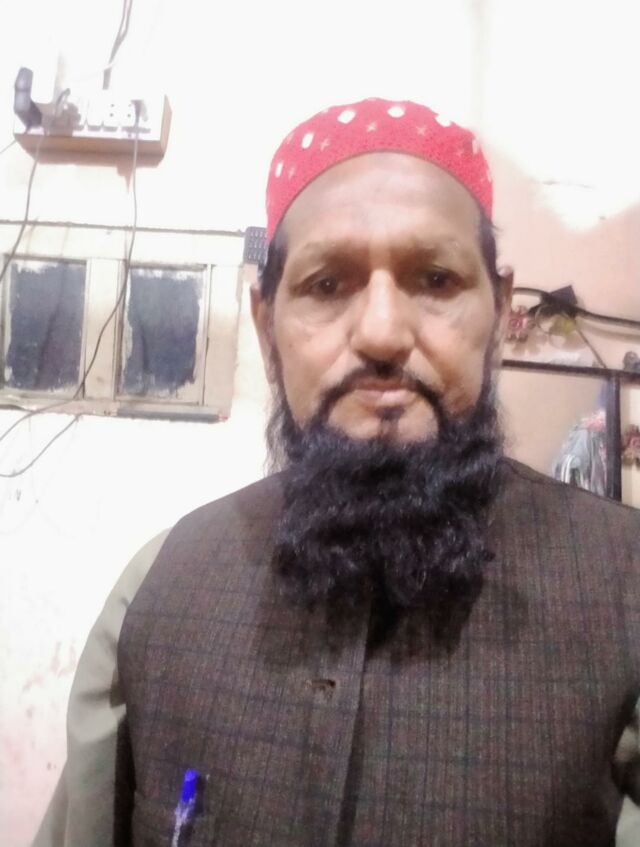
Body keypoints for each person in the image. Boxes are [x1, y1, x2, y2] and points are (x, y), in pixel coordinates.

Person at [33, 97, 640, 847]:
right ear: (266, 327)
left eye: (436, 279)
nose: (382, 333)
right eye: (327, 285)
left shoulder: (625, 588)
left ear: (500, 313)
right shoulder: (158, 586)